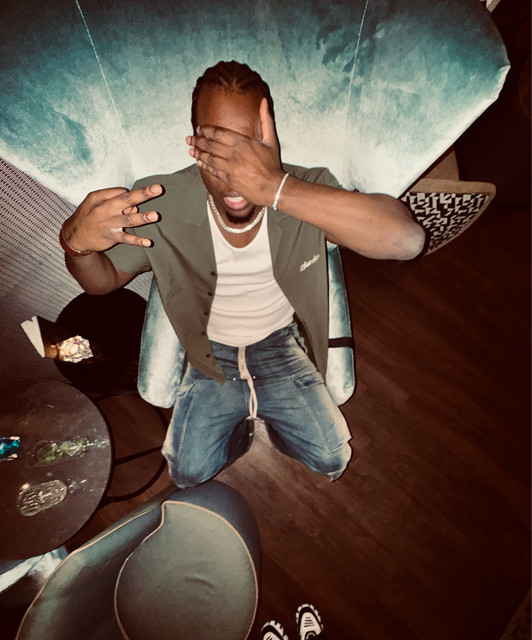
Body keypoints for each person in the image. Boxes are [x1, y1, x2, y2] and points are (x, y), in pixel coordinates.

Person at [60, 61, 425, 489]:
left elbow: (406, 240)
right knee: (188, 472)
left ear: (271, 140)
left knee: (332, 459)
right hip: (208, 350)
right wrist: (77, 246)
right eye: (217, 147)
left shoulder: (307, 187)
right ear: (195, 144)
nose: (234, 172)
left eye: (249, 147)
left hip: (278, 342)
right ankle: (243, 433)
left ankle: (275, 426)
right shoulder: (161, 199)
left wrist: (274, 188)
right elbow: (101, 282)